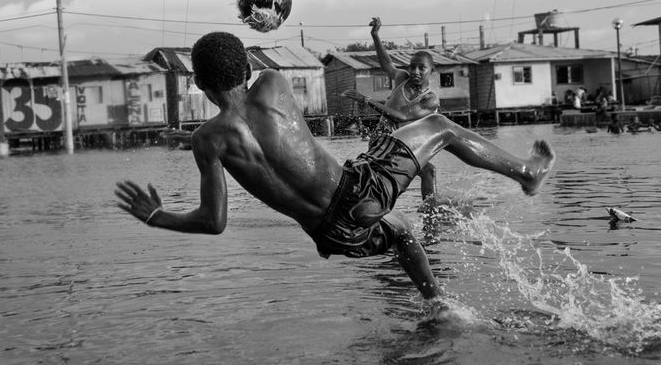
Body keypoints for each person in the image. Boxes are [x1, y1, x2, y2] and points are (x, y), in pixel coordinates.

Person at [115, 32, 555, 308]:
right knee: (438, 126)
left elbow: (214, 223)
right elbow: (259, 101)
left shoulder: (207, 140)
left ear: (196, 84)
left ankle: (440, 308)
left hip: (329, 233)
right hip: (357, 192)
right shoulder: (272, 83)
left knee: (402, 230)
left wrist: (158, 216)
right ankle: (526, 173)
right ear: (248, 69)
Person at [341, 17, 441, 202]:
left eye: (422, 68)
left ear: (431, 70)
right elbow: (387, 64)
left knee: (429, 172)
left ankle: (430, 211)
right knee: (426, 172)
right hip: (383, 139)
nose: (415, 72)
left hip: (403, 144)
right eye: (412, 67)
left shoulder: (430, 99)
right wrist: (376, 35)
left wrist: (366, 99)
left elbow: (402, 116)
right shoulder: (402, 78)